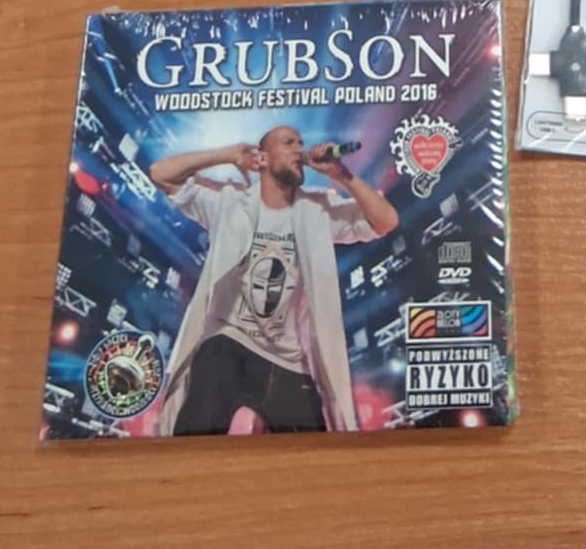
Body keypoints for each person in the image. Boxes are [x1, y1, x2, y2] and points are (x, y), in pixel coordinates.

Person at [148, 124, 398, 436]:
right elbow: (160, 173)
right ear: (262, 158)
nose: (298, 149)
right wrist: (226, 154)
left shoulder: (318, 208)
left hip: (288, 360)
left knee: (313, 455)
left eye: (300, 143)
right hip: (228, 342)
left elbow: (386, 221)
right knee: (195, 435)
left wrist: (341, 174)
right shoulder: (228, 201)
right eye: (288, 143)